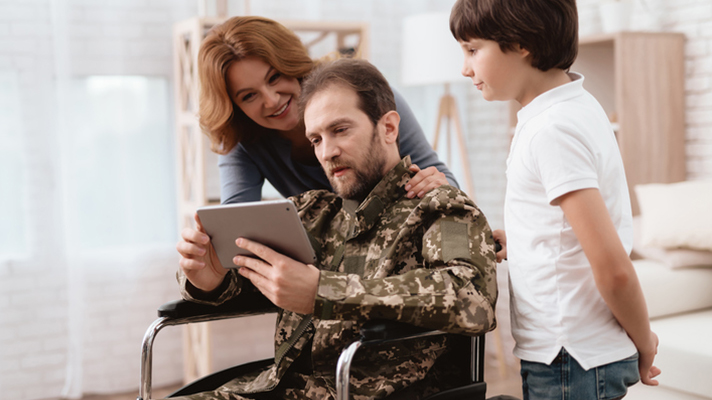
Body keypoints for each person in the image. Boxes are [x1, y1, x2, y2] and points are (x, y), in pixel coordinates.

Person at [173, 58, 498, 400]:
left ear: (388, 128)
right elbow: (249, 275)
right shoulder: (312, 213)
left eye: (340, 130)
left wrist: (323, 291)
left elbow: (472, 299)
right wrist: (209, 278)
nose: (327, 152)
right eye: (315, 139)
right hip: (277, 388)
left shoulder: (440, 207)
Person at [448, 0, 661, 399]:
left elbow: (613, 268)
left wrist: (644, 339)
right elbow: (572, 229)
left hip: (570, 358)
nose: (465, 68)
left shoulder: (552, 130)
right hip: (571, 354)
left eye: (473, 50)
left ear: (520, 42)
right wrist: (527, 240)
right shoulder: (573, 106)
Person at [197, 15, 457, 205]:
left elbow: (445, 183)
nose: (271, 100)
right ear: (235, 107)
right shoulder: (242, 138)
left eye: (275, 77)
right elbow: (237, 224)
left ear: (292, 63)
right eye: (249, 95)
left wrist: (437, 185)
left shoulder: (365, 95)